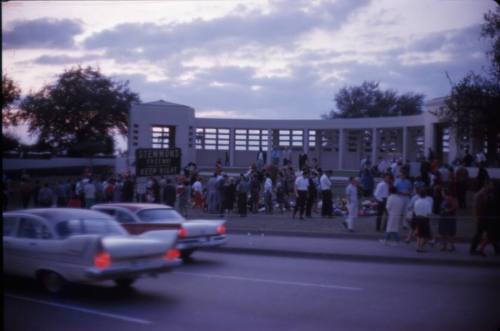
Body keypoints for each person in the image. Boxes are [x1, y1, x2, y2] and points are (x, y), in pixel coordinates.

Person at [470, 182, 499, 256]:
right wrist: (477, 217)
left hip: (484, 217)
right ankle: (474, 249)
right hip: (483, 217)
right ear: (486, 186)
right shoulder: (481, 195)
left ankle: (496, 248)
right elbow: (478, 207)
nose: (492, 187)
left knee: (490, 233)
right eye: (491, 185)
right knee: (486, 233)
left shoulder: (484, 194)